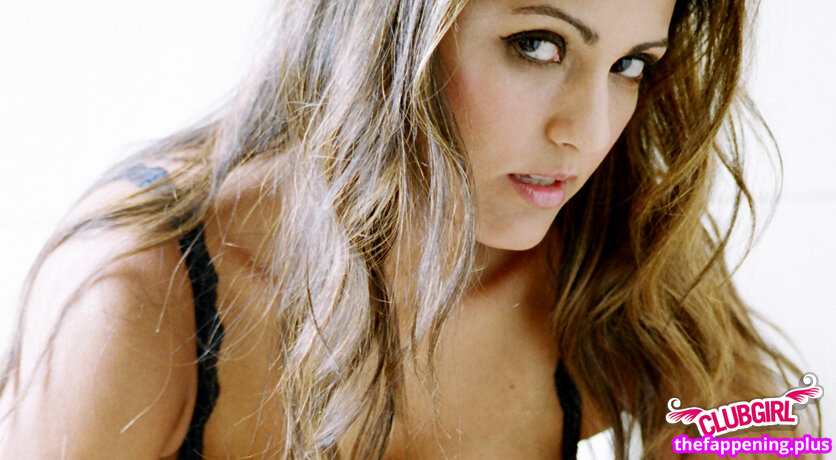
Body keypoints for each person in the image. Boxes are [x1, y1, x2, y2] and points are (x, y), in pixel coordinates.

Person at [0, 0, 821, 458]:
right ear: (390, 31)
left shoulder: (604, 262)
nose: (589, 129)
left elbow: (769, 437)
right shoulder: (144, 293)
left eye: (629, 65)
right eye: (537, 45)